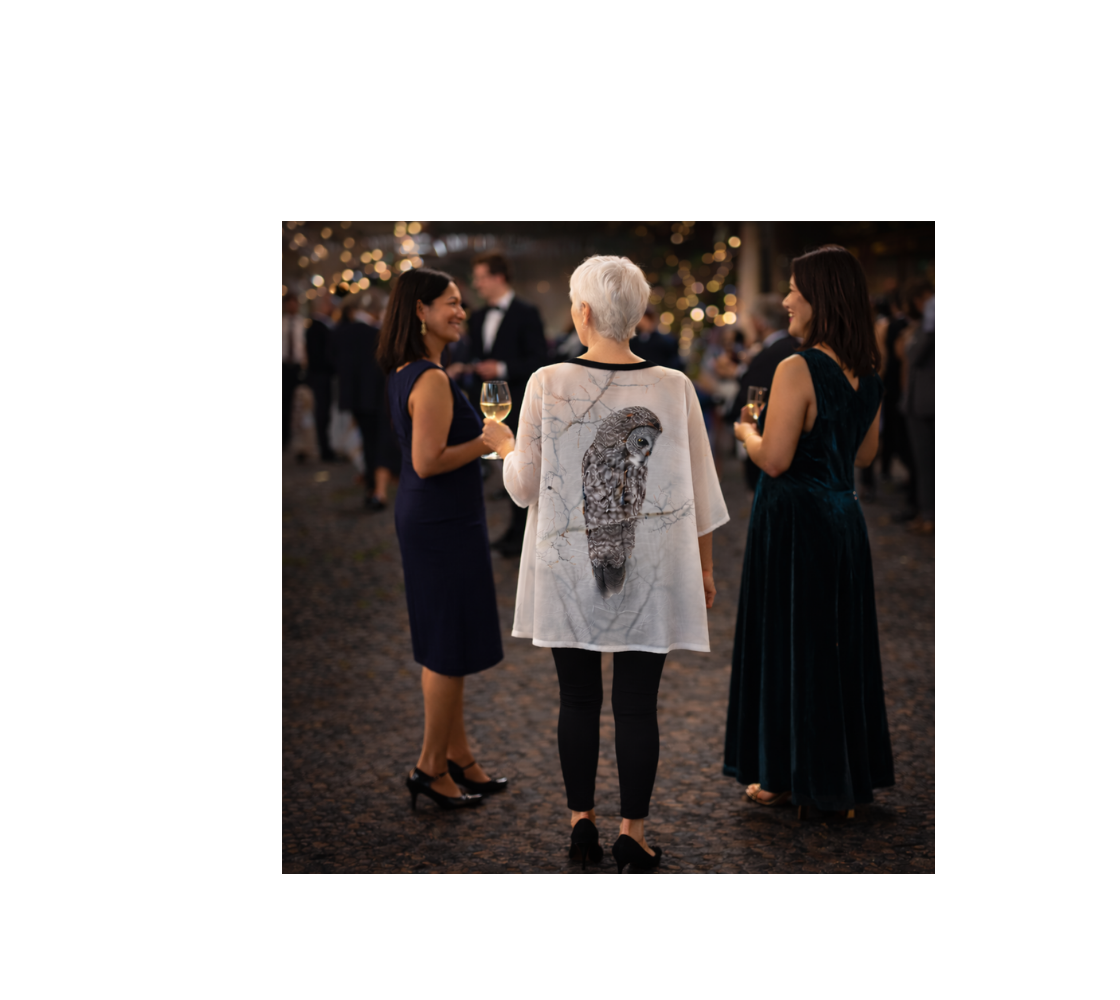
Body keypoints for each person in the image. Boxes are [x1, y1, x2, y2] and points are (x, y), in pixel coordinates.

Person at [483, 255, 728, 872]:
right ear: (639, 313)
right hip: (655, 570)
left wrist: (505, 446)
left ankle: (581, 825)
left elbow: (523, 489)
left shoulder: (546, 380)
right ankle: (632, 833)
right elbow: (700, 489)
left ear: (583, 312)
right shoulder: (675, 385)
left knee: (577, 699)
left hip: (569, 568)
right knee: (639, 705)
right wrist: (704, 569)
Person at [724, 245, 894, 817]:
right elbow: (865, 455)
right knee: (837, 644)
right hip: (843, 518)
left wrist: (746, 434)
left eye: (796, 290)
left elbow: (773, 459)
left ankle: (785, 774)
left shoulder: (796, 368)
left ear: (821, 297)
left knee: (790, 643)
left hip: (795, 522)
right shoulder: (867, 371)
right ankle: (839, 773)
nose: (788, 301)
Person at [379, 268, 509, 811]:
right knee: (446, 648)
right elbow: (427, 461)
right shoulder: (430, 378)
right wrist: (487, 442)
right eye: (450, 303)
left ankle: (460, 756)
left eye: (462, 302)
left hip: (437, 517)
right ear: (420, 310)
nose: (461, 311)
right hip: (441, 522)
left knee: (445, 640)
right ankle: (430, 768)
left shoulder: (411, 370)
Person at [468, 252, 547, 558]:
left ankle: (521, 535)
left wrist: (501, 368)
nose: (476, 284)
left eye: (481, 278)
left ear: (499, 277)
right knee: (502, 472)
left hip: (518, 403)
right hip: (486, 405)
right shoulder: (477, 317)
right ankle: (512, 533)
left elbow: (539, 359)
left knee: (521, 469)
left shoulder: (526, 312)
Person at [730, 294, 802, 490]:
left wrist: (747, 430)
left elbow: (753, 399)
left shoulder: (769, 354)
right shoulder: (799, 347)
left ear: (760, 322)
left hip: (768, 440)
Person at [332, 291, 394, 510]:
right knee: (379, 441)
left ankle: (371, 486)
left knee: (367, 441)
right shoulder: (378, 334)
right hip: (377, 397)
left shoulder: (340, 332)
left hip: (354, 397)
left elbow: (333, 361)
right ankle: (377, 488)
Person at [902, 279, 935, 534]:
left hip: (924, 404)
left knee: (926, 464)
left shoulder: (927, 328)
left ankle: (928, 515)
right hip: (919, 403)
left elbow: (913, 355)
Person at [305, 294, 337, 461]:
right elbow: (321, 356)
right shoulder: (317, 328)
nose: (331, 306)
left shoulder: (322, 326)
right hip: (320, 376)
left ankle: (325, 447)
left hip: (321, 375)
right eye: (328, 303)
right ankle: (324, 449)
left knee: (324, 412)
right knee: (322, 412)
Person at [281, 292, 306, 451]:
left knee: (300, 403)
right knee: (284, 402)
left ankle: (300, 439)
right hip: (284, 365)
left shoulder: (303, 323)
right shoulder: (283, 323)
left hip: (298, 366)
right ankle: (285, 436)